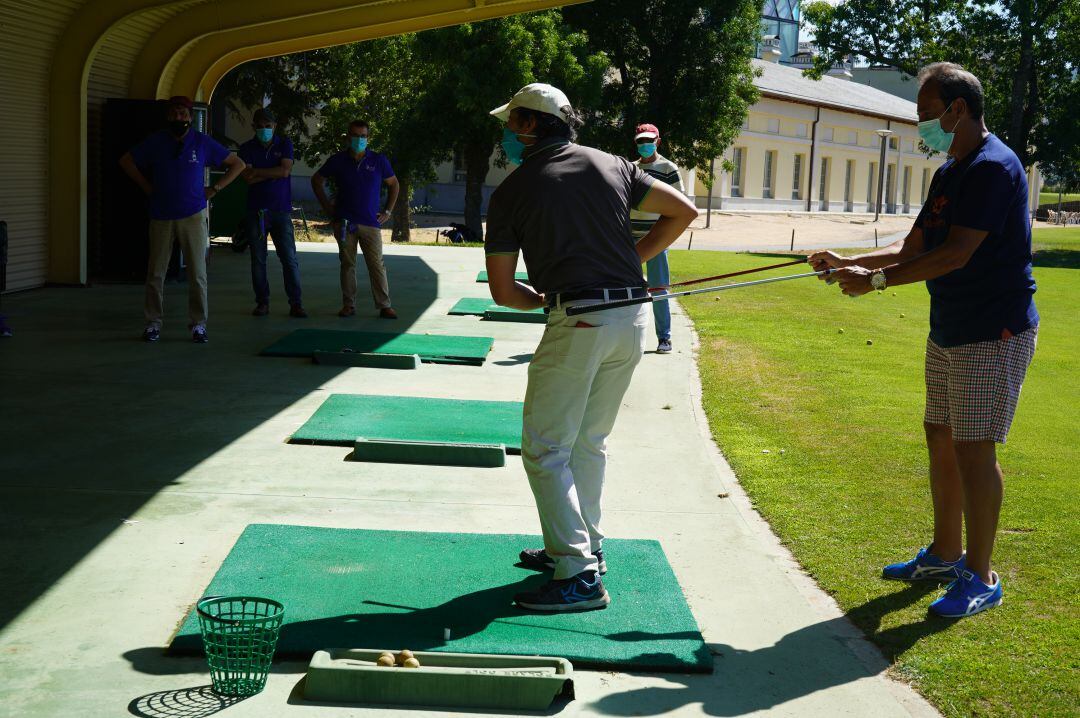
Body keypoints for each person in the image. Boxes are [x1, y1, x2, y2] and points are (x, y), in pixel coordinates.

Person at [810, 62, 1039, 618]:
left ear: (957, 109)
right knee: (940, 434)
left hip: (993, 330)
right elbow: (915, 245)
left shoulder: (992, 168)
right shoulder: (951, 169)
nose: (921, 127)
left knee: (973, 446)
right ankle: (944, 552)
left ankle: (981, 576)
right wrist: (852, 261)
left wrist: (877, 282)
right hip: (952, 327)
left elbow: (958, 253)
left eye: (926, 115)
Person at [484, 83, 698, 612]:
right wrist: (632, 258)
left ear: (532, 125)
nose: (507, 133)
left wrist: (539, 300)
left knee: (544, 448)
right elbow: (683, 211)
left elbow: (504, 291)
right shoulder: (613, 164)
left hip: (578, 319)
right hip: (631, 318)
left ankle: (577, 573)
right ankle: (586, 549)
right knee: (588, 442)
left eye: (512, 123)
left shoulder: (512, 189)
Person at [119, 96, 246, 343]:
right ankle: (153, 323)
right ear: (169, 116)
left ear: (190, 117)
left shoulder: (201, 142)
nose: (180, 118)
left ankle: (198, 324)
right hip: (161, 215)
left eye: (184, 114)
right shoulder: (156, 142)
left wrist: (215, 189)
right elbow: (126, 161)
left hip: (193, 215)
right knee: (156, 272)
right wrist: (146, 186)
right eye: (175, 114)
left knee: (198, 273)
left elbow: (237, 164)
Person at [311, 120, 400, 319]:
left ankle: (385, 305)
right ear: (348, 137)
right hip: (344, 222)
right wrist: (328, 208)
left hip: (371, 223)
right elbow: (317, 180)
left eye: (363, 136)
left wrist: (388, 211)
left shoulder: (378, 160)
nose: (359, 139)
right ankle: (349, 305)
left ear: (368, 138)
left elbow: (394, 184)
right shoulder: (337, 160)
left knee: (376, 264)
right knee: (347, 263)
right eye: (355, 135)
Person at [237, 108, 306, 318]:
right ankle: (262, 303)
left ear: (274, 126)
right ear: (254, 127)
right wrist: (273, 173)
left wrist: (258, 171)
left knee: (289, 259)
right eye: (260, 126)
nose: (264, 129)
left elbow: (285, 171)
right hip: (256, 211)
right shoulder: (246, 148)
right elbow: (247, 178)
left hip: (281, 211)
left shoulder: (285, 144)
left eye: (268, 126)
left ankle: (296, 303)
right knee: (258, 259)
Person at [630, 123, 686, 354]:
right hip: (629, 237)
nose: (645, 145)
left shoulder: (668, 168)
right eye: (640, 141)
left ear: (657, 141)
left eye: (649, 141)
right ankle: (628, 337)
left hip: (656, 238)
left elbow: (679, 204)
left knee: (659, 289)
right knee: (627, 288)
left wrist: (664, 234)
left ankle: (665, 338)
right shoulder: (630, 168)